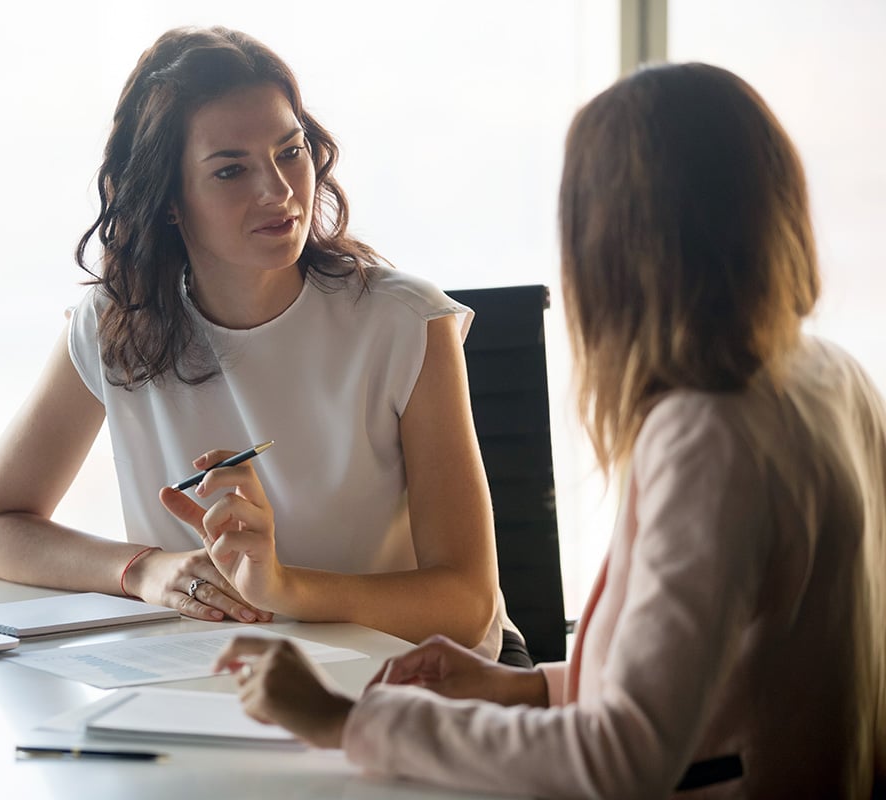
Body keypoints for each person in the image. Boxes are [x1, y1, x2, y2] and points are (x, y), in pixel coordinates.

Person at [214, 62, 886, 798]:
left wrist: (344, 721)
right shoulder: (830, 376)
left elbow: (617, 760)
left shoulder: (708, 436)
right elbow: (733, 688)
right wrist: (529, 690)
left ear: (611, 243)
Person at [0, 25, 526, 660]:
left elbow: (467, 601)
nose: (281, 192)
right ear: (169, 199)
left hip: (424, 675)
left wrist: (283, 587)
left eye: (291, 152)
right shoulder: (116, 323)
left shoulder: (404, 321)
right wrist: (145, 570)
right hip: (220, 677)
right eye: (232, 170)